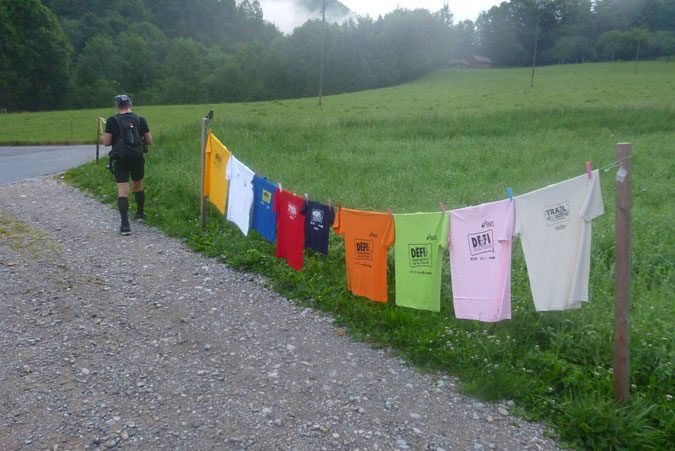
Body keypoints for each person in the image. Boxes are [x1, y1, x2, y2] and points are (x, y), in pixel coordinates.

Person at [102, 94, 152, 235]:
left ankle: (125, 225)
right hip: (137, 157)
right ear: (130, 104)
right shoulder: (140, 119)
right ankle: (140, 214)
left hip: (121, 159)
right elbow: (149, 141)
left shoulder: (112, 121)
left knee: (123, 192)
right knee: (138, 185)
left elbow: (106, 142)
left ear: (117, 106)